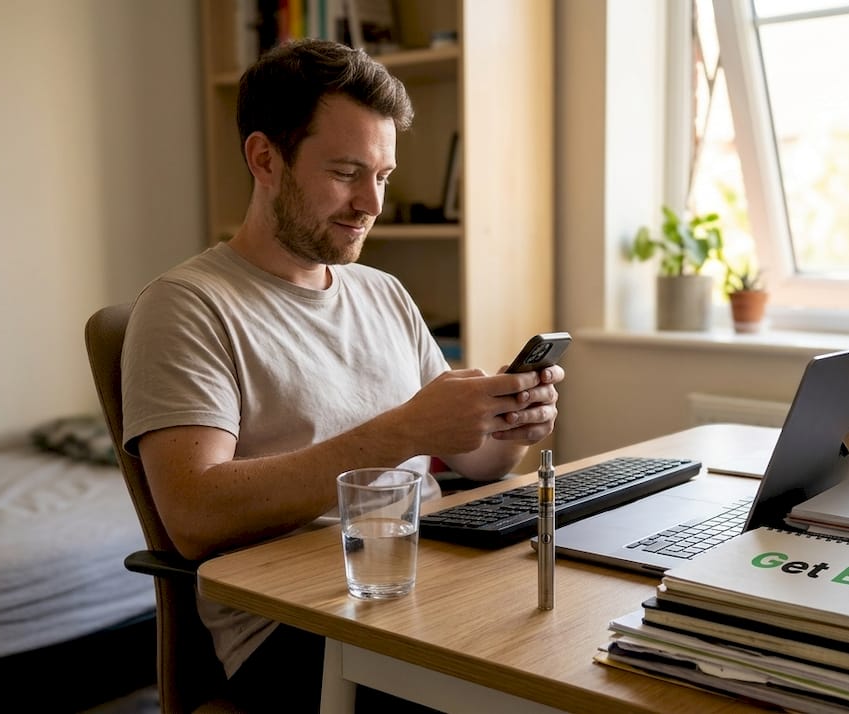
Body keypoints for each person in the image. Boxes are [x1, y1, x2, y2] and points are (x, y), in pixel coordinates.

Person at [120, 39, 563, 713]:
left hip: (427, 583)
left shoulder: (382, 291)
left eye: (382, 175)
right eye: (347, 172)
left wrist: (507, 424)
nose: (372, 202)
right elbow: (195, 515)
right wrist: (401, 432)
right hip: (296, 628)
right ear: (265, 158)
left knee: (587, 653)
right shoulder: (187, 306)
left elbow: (477, 464)